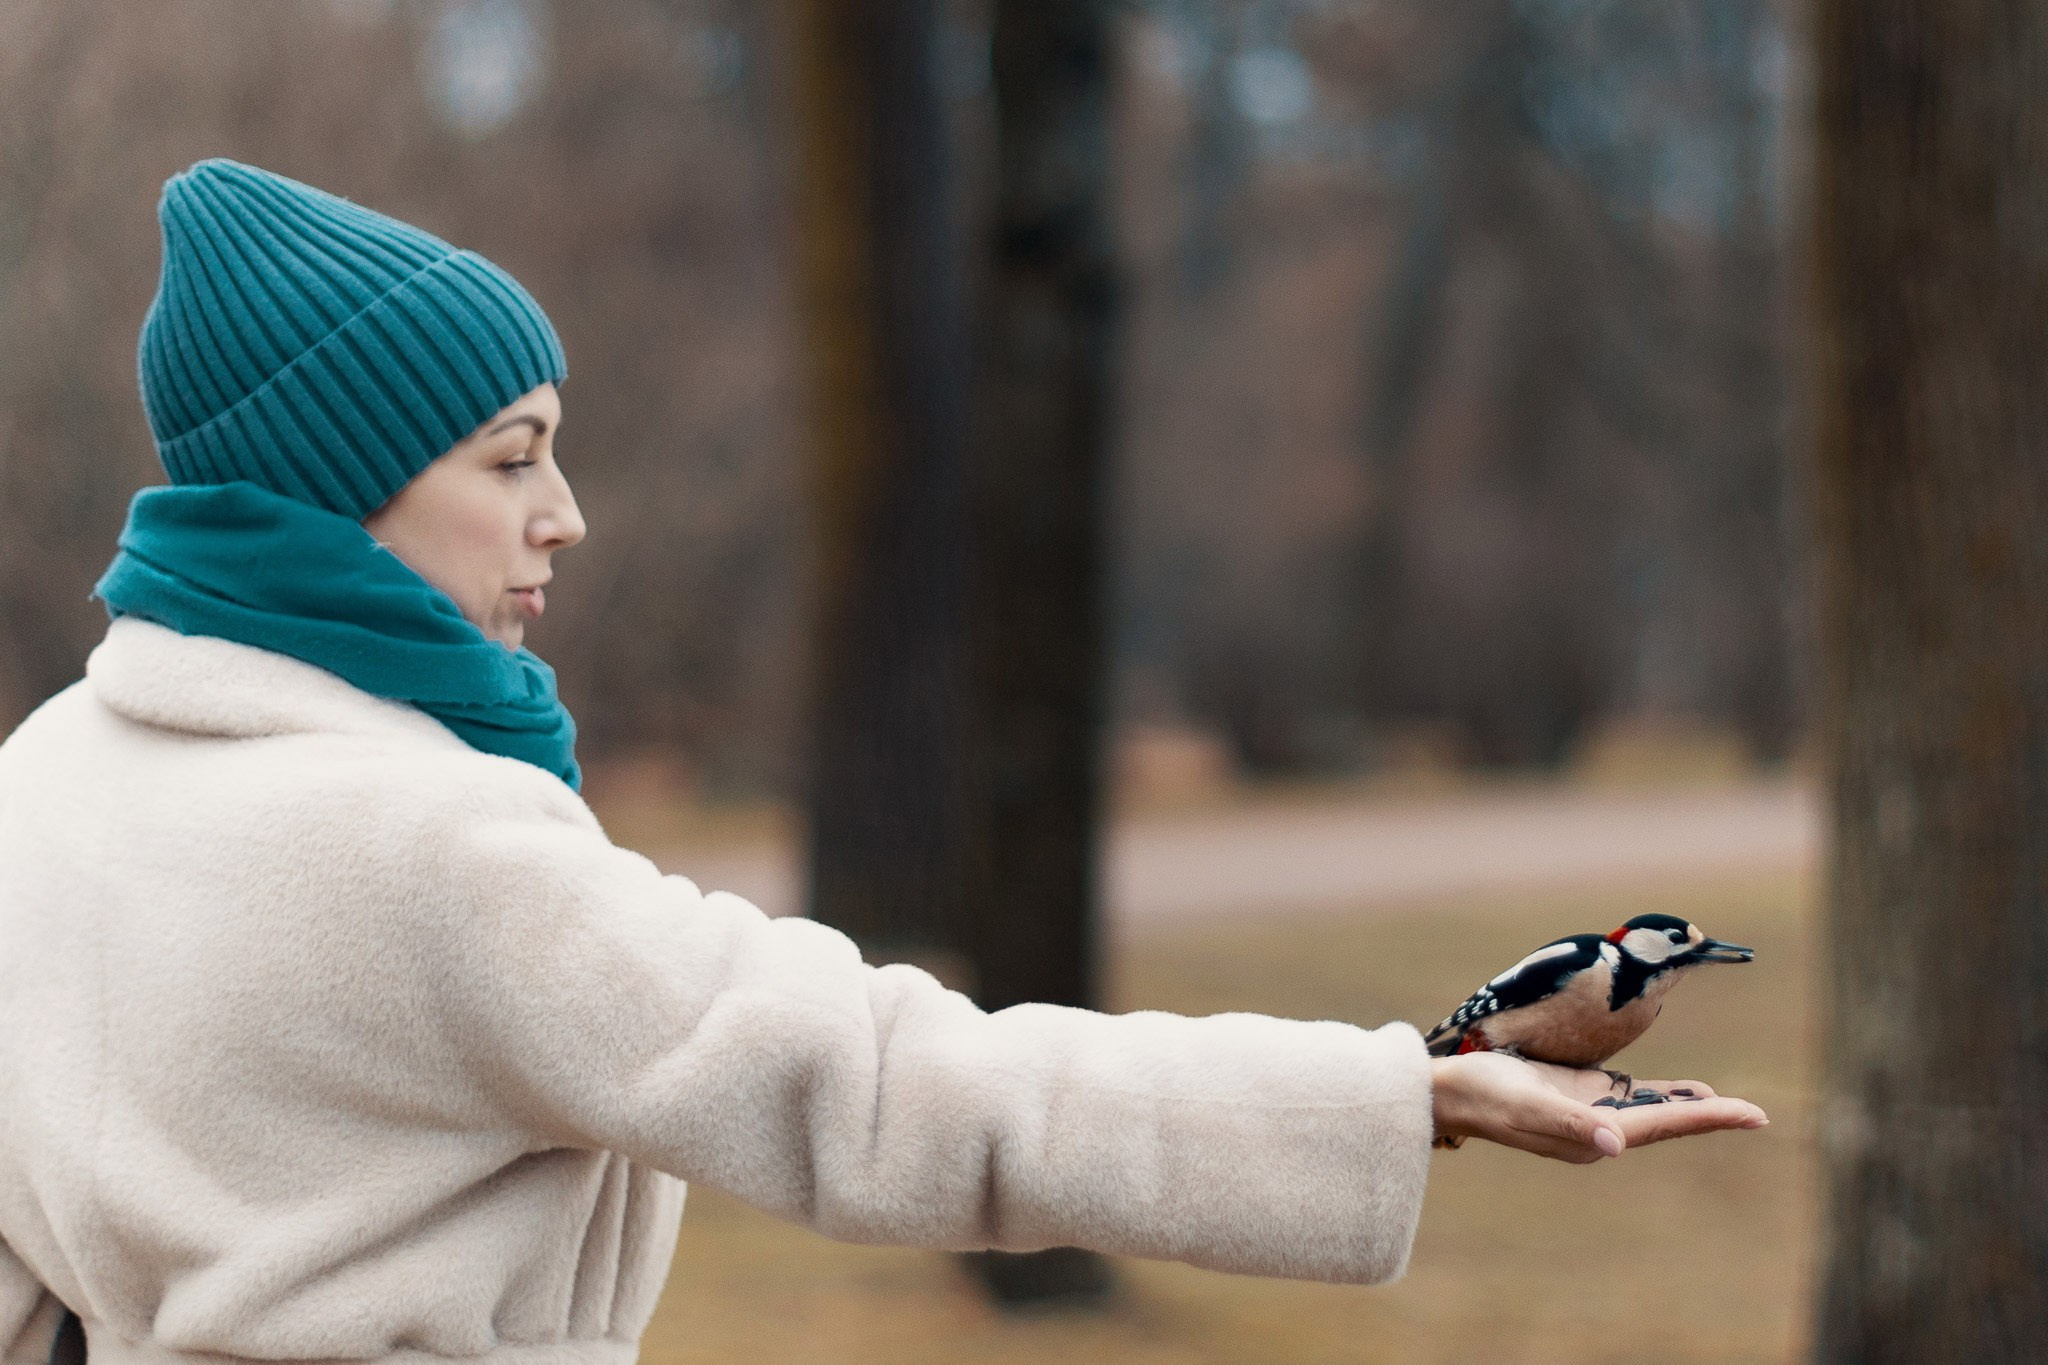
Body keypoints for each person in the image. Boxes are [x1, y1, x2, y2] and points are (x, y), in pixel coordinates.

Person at [0, 160, 1765, 1362]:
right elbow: (896, 1087)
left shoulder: (49, 782)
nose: (567, 513)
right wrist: (1406, 1092)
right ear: (332, 487)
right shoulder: (427, 845)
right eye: (511, 457)